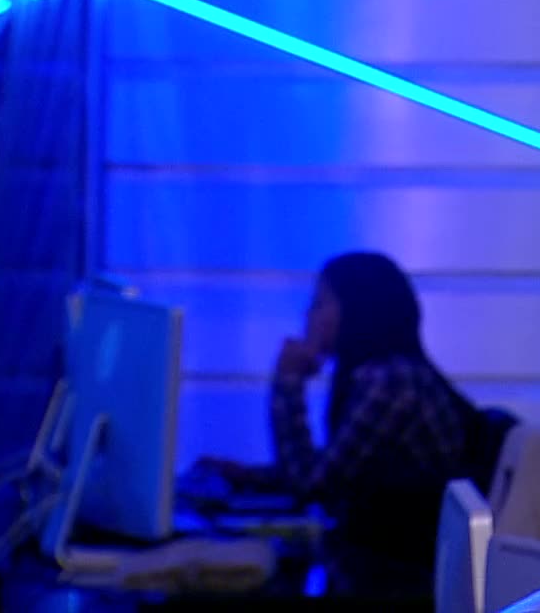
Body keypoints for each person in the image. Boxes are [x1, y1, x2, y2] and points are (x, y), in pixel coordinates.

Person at [199, 251, 486, 596]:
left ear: (357, 309)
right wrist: (251, 476)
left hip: (395, 578)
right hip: (385, 565)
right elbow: (340, 471)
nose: (308, 315)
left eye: (319, 303)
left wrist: (289, 383)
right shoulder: (387, 375)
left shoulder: (390, 383)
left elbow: (315, 486)